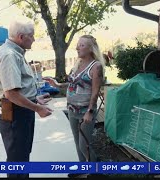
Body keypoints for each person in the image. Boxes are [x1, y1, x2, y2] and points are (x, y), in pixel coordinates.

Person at [0, 20, 53, 178]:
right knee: (18, 159)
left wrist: (35, 98)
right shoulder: (9, 55)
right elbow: (11, 94)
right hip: (15, 112)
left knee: (21, 155)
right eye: (31, 36)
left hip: (18, 109)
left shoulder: (15, 52)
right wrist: (38, 108)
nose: (33, 39)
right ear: (20, 37)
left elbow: (17, 89)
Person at [44, 35, 105, 177]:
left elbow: (95, 91)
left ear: (91, 48)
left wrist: (90, 111)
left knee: (84, 143)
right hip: (72, 108)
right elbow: (73, 83)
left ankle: (96, 170)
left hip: (85, 110)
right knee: (77, 141)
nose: (77, 47)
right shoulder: (77, 64)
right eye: (78, 45)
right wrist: (58, 85)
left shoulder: (96, 66)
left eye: (82, 45)